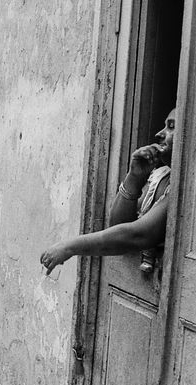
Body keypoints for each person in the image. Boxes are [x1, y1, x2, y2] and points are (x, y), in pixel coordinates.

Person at [40, 108, 176, 276]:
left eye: (171, 127)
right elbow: (118, 225)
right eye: (165, 126)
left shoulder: (178, 188)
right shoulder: (160, 175)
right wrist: (134, 177)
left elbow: (138, 235)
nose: (160, 133)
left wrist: (69, 246)